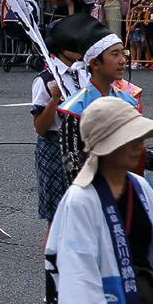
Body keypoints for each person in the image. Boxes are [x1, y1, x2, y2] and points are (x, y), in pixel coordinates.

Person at [41, 96, 153, 304]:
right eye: (128, 138)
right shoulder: (80, 199)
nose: (138, 145)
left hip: (148, 303)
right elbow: (77, 271)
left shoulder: (140, 186)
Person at [57, 14, 139, 184]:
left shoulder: (128, 101)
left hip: (128, 190)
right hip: (93, 193)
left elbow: (136, 154)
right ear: (94, 63)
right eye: (115, 54)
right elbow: (71, 163)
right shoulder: (76, 108)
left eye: (123, 54)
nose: (123, 61)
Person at [31, 17, 90, 249]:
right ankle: (53, 265)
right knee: (57, 213)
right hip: (55, 147)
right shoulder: (45, 79)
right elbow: (40, 127)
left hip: (83, 144)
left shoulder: (83, 73)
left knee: (84, 208)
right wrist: (54, 100)